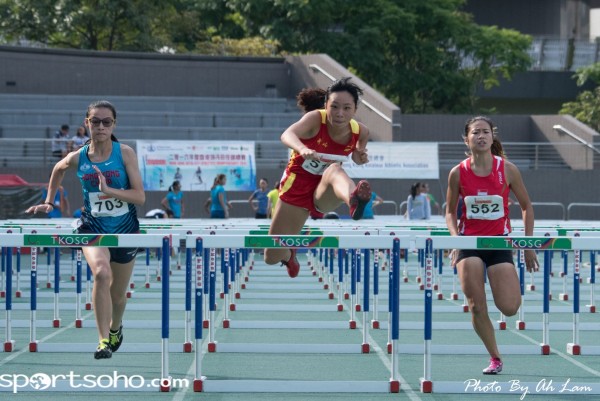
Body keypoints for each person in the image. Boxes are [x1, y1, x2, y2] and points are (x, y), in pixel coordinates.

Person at [26, 100, 145, 360]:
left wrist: (108, 190)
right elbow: (58, 169)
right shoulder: (78, 156)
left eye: (106, 122)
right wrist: (49, 201)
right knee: (101, 274)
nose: (101, 126)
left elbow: (139, 197)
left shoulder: (124, 153)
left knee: (118, 296)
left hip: (124, 230)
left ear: (114, 124)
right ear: (86, 123)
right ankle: (103, 341)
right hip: (91, 227)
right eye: (95, 121)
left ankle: (116, 329)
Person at [445, 116, 539, 375]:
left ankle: (502, 297)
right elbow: (450, 212)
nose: (481, 136)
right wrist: (455, 241)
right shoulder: (458, 172)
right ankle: (495, 357)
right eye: (476, 132)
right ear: (468, 139)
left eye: (486, 132)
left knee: (510, 307)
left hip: (498, 242)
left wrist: (528, 244)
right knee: (476, 304)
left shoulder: (507, 169)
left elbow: (527, 206)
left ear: (492, 137)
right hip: (469, 243)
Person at [264, 77, 372, 278]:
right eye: (335, 107)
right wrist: (302, 148)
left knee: (334, 170)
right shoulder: (315, 119)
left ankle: (354, 200)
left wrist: (360, 157)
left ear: (355, 109)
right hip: (297, 187)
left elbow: (357, 155)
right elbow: (287, 134)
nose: (340, 113)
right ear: (326, 105)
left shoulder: (361, 132)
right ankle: (288, 256)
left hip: (325, 190)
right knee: (271, 255)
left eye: (347, 108)